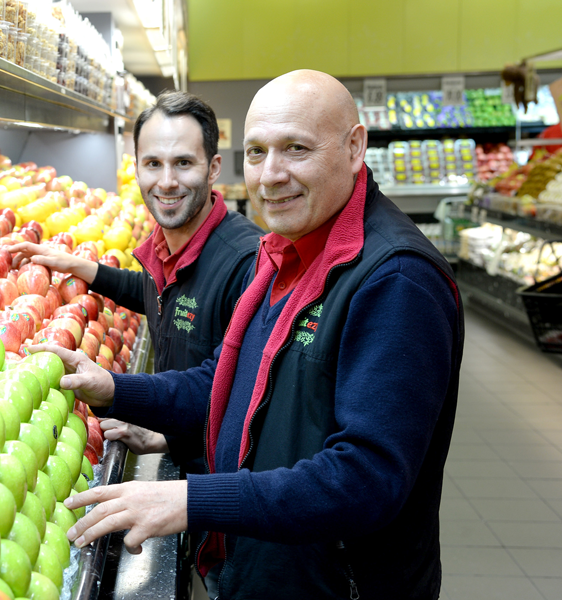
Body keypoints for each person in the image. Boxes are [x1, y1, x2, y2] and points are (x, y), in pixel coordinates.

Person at [33, 69, 464, 599]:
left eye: (296, 149)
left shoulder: (396, 279)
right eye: (257, 152)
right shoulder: (286, 251)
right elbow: (225, 379)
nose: (270, 175)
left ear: (355, 148)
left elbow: (367, 478)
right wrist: (116, 389)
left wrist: (194, 499)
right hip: (260, 567)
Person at [8, 91, 263, 460]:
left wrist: (115, 388)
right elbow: (152, 292)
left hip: (221, 484)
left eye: (184, 163)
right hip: (189, 453)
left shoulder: (247, 262)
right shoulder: (167, 244)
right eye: (153, 163)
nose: (167, 181)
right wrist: (80, 267)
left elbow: (227, 383)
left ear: (213, 168)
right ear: (137, 168)